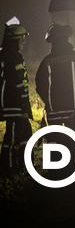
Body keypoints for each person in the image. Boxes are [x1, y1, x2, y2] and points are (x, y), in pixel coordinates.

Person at [36, 24, 75, 126]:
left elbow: (39, 84)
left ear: (52, 41)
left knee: (55, 140)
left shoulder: (47, 61)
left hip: (54, 112)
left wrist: (48, 101)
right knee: (73, 140)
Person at [1, 17, 32, 174]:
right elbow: (20, 84)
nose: (23, 43)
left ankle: (22, 165)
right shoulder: (13, 57)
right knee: (12, 135)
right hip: (14, 104)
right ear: (15, 40)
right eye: (22, 39)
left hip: (13, 104)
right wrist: (25, 105)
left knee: (25, 132)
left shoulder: (7, 56)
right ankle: (9, 167)